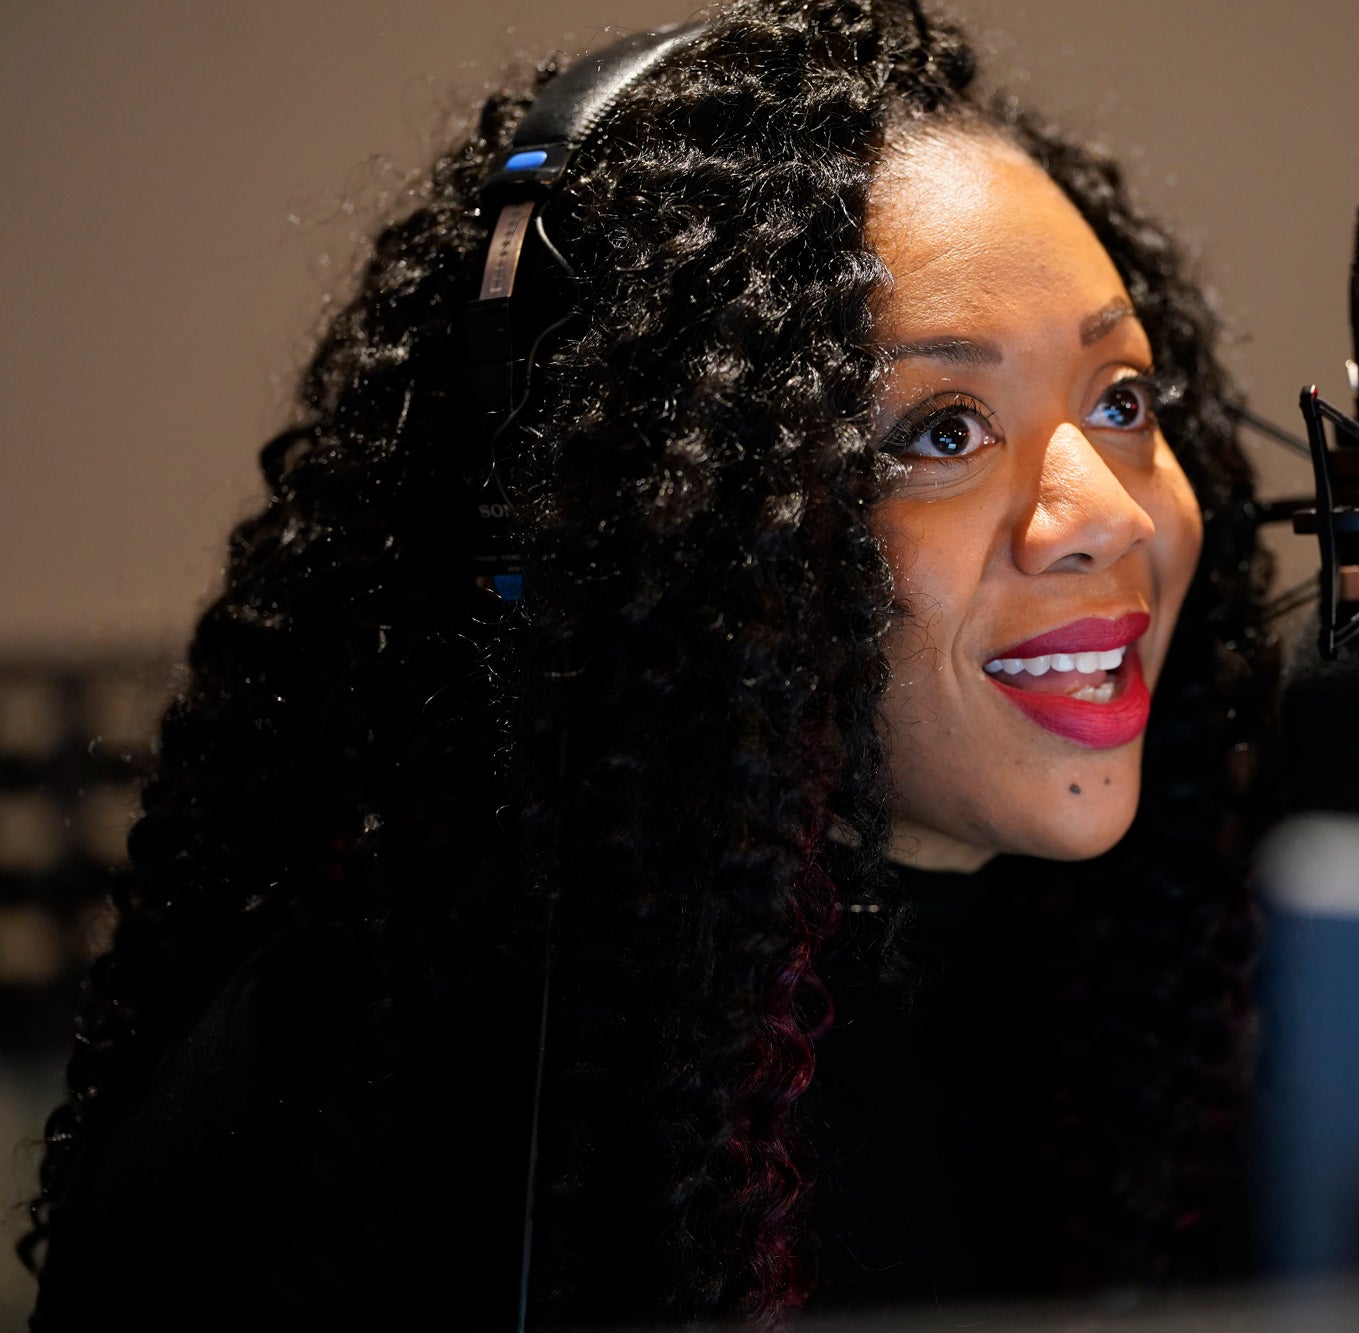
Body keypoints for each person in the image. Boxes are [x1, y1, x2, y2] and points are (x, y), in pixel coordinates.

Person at [22, 0, 1275, 1326]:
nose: (1113, 514)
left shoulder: (1155, 996)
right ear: (653, 530)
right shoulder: (324, 1108)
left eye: (1122, 401)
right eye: (943, 429)